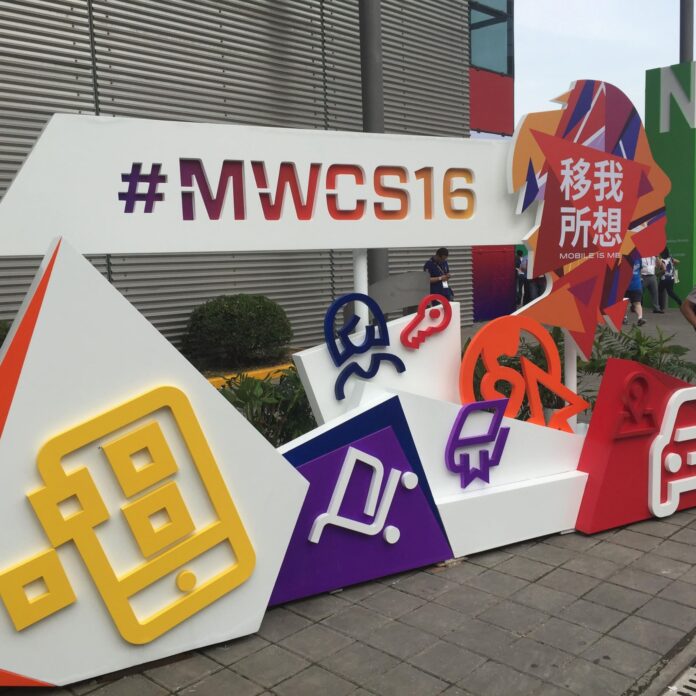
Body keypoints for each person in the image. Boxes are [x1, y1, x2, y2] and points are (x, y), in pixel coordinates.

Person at [625, 255, 646, 327]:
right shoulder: (638, 258)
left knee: (635, 303)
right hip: (630, 285)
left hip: (633, 284)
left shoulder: (638, 258)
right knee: (634, 303)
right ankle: (626, 318)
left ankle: (639, 319)